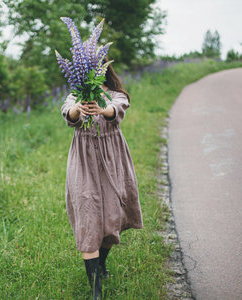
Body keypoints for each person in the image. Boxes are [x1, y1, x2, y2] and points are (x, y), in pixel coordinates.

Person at [60, 60, 144, 299]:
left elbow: (117, 109)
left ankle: (101, 264)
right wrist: (78, 109)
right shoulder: (76, 95)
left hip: (112, 159)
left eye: (94, 68)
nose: (89, 73)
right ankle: (95, 290)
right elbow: (68, 113)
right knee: (88, 218)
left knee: (111, 218)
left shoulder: (116, 95)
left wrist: (101, 109)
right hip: (84, 162)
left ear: (102, 71)